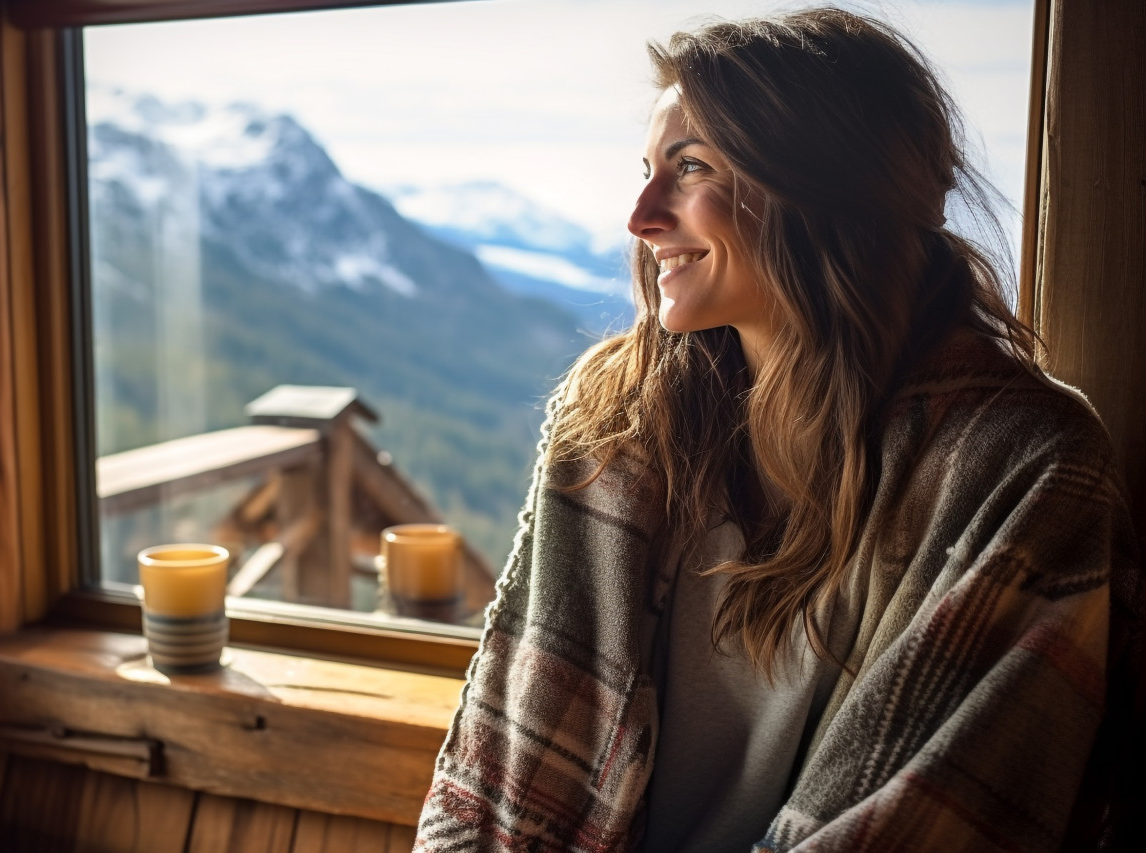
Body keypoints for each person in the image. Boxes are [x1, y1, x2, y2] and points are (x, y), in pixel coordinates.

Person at [414, 7, 1140, 852]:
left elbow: (928, 821)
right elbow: (505, 779)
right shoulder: (617, 418)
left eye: (689, 168)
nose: (641, 217)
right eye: (647, 170)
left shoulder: (1027, 469)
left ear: (826, 185)